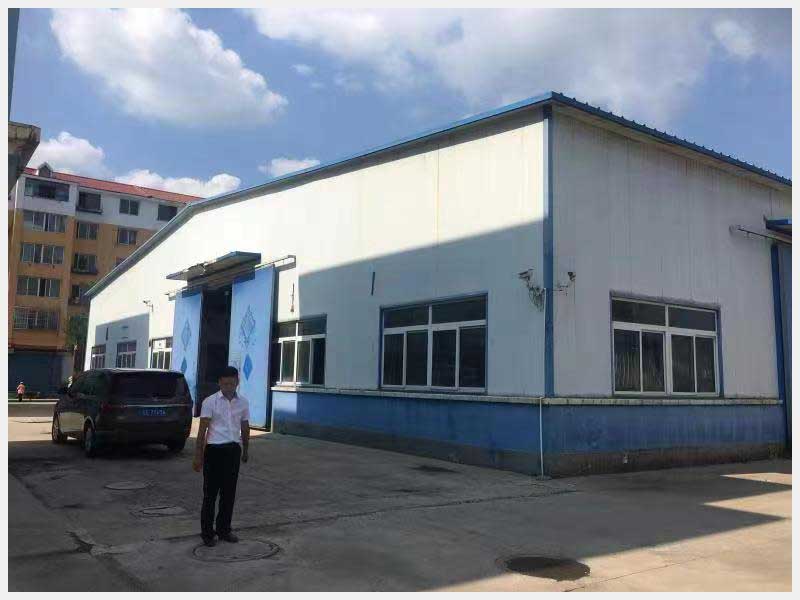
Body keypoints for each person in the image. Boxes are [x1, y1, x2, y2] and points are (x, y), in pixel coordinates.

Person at [192, 366, 250, 547]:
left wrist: (246, 449)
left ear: (237, 382)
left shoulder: (243, 403)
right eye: (225, 384)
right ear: (219, 383)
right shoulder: (210, 402)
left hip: (233, 451)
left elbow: (245, 427)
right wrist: (198, 456)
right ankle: (207, 533)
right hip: (214, 451)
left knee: (229, 493)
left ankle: (224, 529)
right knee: (210, 494)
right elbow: (202, 431)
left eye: (231, 383)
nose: (228, 387)